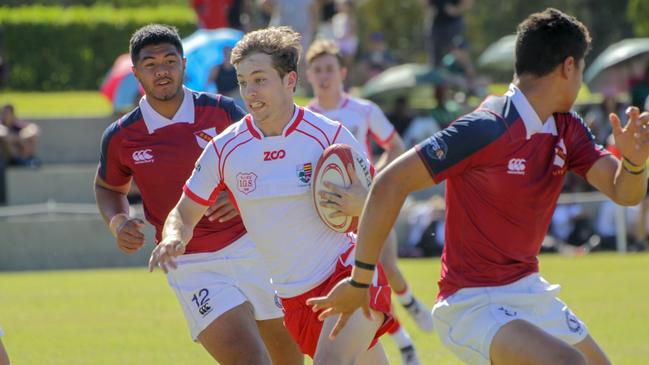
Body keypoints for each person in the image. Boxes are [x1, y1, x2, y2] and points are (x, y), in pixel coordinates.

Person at [308, 8, 649, 365]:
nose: (582, 82)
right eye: (581, 69)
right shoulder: (487, 127)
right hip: (471, 302)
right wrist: (359, 281)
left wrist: (634, 162)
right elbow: (389, 182)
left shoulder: (567, 127)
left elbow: (624, 192)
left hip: (529, 290)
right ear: (568, 67)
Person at [148, 26, 394, 364]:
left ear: (290, 80)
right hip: (294, 300)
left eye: (259, 79)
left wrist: (360, 203)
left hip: (347, 276)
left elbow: (382, 199)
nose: (249, 91)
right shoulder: (225, 148)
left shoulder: (328, 136)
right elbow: (184, 212)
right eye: (243, 81)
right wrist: (173, 236)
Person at [94, 24, 302, 365]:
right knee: (250, 360)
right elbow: (107, 187)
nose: (161, 71)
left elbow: (268, 159)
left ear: (184, 64)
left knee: (290, 359)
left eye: (170, 61)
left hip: (254, 248)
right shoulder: (122, 135)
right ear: (135, 73)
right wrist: (118, 222)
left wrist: (238, 196)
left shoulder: (223, 112)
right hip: (191, 262)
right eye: (150, 64)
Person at [305, 39, 432, 365]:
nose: (324, 76)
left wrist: (375, 182)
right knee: (357, 279)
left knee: (384, 266)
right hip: (330, 215)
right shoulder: (306, 118)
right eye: (317, 70)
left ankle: (410, 305)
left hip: (367, 204)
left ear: (342, 72)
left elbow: (396, 145)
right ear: (308, 75)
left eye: (329, 68)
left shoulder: (364, 110)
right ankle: (403, 341)